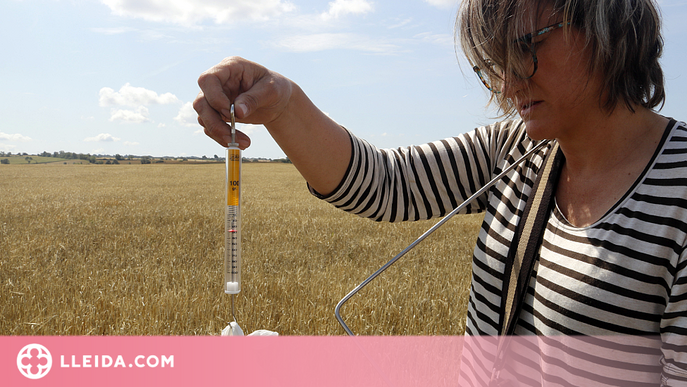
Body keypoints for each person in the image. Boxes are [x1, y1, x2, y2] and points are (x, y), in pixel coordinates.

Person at [194, 0, 687, 385]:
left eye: (524, 48)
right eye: (495, 61)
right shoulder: (515, 150)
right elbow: (384, 184)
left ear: (606, 25)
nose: (509, 81)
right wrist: (280, 102)